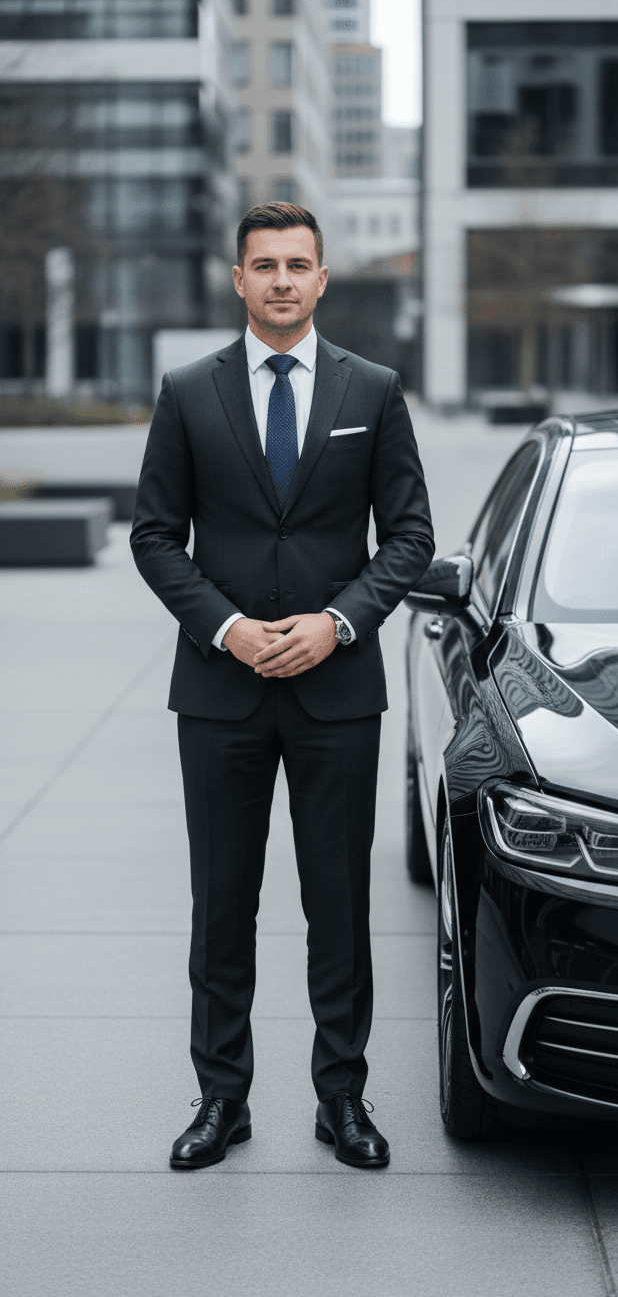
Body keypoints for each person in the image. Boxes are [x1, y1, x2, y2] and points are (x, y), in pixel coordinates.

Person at [131, 203, 434, 1170]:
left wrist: (335, 622)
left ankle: (341, 1097)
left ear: (322, 277)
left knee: (339, 906)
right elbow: (154, 536)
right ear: (238, 279)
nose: (281, 281)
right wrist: (226, 628)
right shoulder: (188, 392)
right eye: (264, 266)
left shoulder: (373, 390)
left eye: (297, 265)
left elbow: (411, 538)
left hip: (336, 692)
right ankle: (223, 1099)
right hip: (218, 694)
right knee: (222, 907)